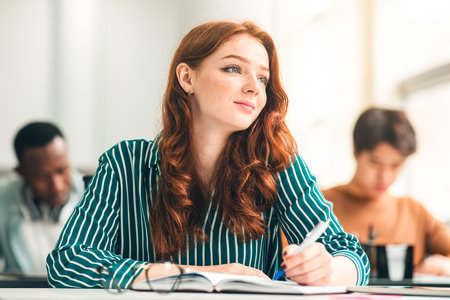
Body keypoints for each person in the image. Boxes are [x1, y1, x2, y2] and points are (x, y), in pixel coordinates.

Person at [46, 20, 369, 289]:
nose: (254, 88)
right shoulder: (125, 163)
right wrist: (203, 276)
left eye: (262, 78)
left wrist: (330, 269)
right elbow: (69, 262)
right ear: (187, 78)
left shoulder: (278, 164)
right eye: (233, 69)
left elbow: (349, 253)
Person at [323, 107, 450, 276]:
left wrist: (444, 264)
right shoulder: (318, 204)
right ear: (355, 151)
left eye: (396, 165)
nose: (385, 176)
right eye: (375, 163)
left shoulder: (414, 211)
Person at [0, 121, 85, 274]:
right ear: (21, 172)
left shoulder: (97, 195)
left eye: (62, 170)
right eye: (41, 177)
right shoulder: (3, 201)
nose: (57, 186)